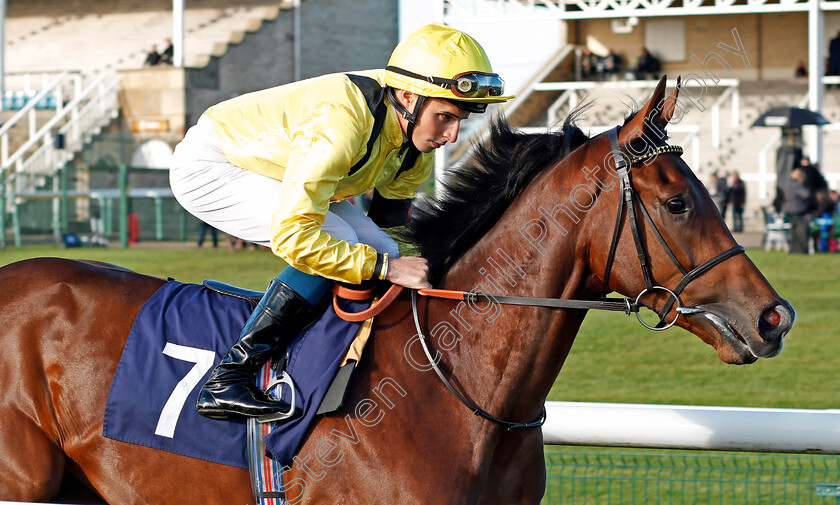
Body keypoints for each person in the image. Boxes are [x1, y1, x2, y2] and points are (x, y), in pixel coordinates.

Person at [169, 23, 512, 420]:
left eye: (461, 120)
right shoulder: (341, 123)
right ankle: (228, 377)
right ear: (407, 96)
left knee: (380, 247)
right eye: (444, 118)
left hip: (273, 168)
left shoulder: (414, 139)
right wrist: (386, 267)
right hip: (213, 164)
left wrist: (412, 263)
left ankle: (353, 350)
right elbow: (295, 236)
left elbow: (391, 225)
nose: (451, 136)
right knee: (340, 239)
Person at [782, 168, 813, 254]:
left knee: (793, 232)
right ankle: (801, 250)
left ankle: (793, 249)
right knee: (801, 232)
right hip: (798, 209)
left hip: (789, 210)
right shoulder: (798, 184)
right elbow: (806, 195)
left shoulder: (788, 184)